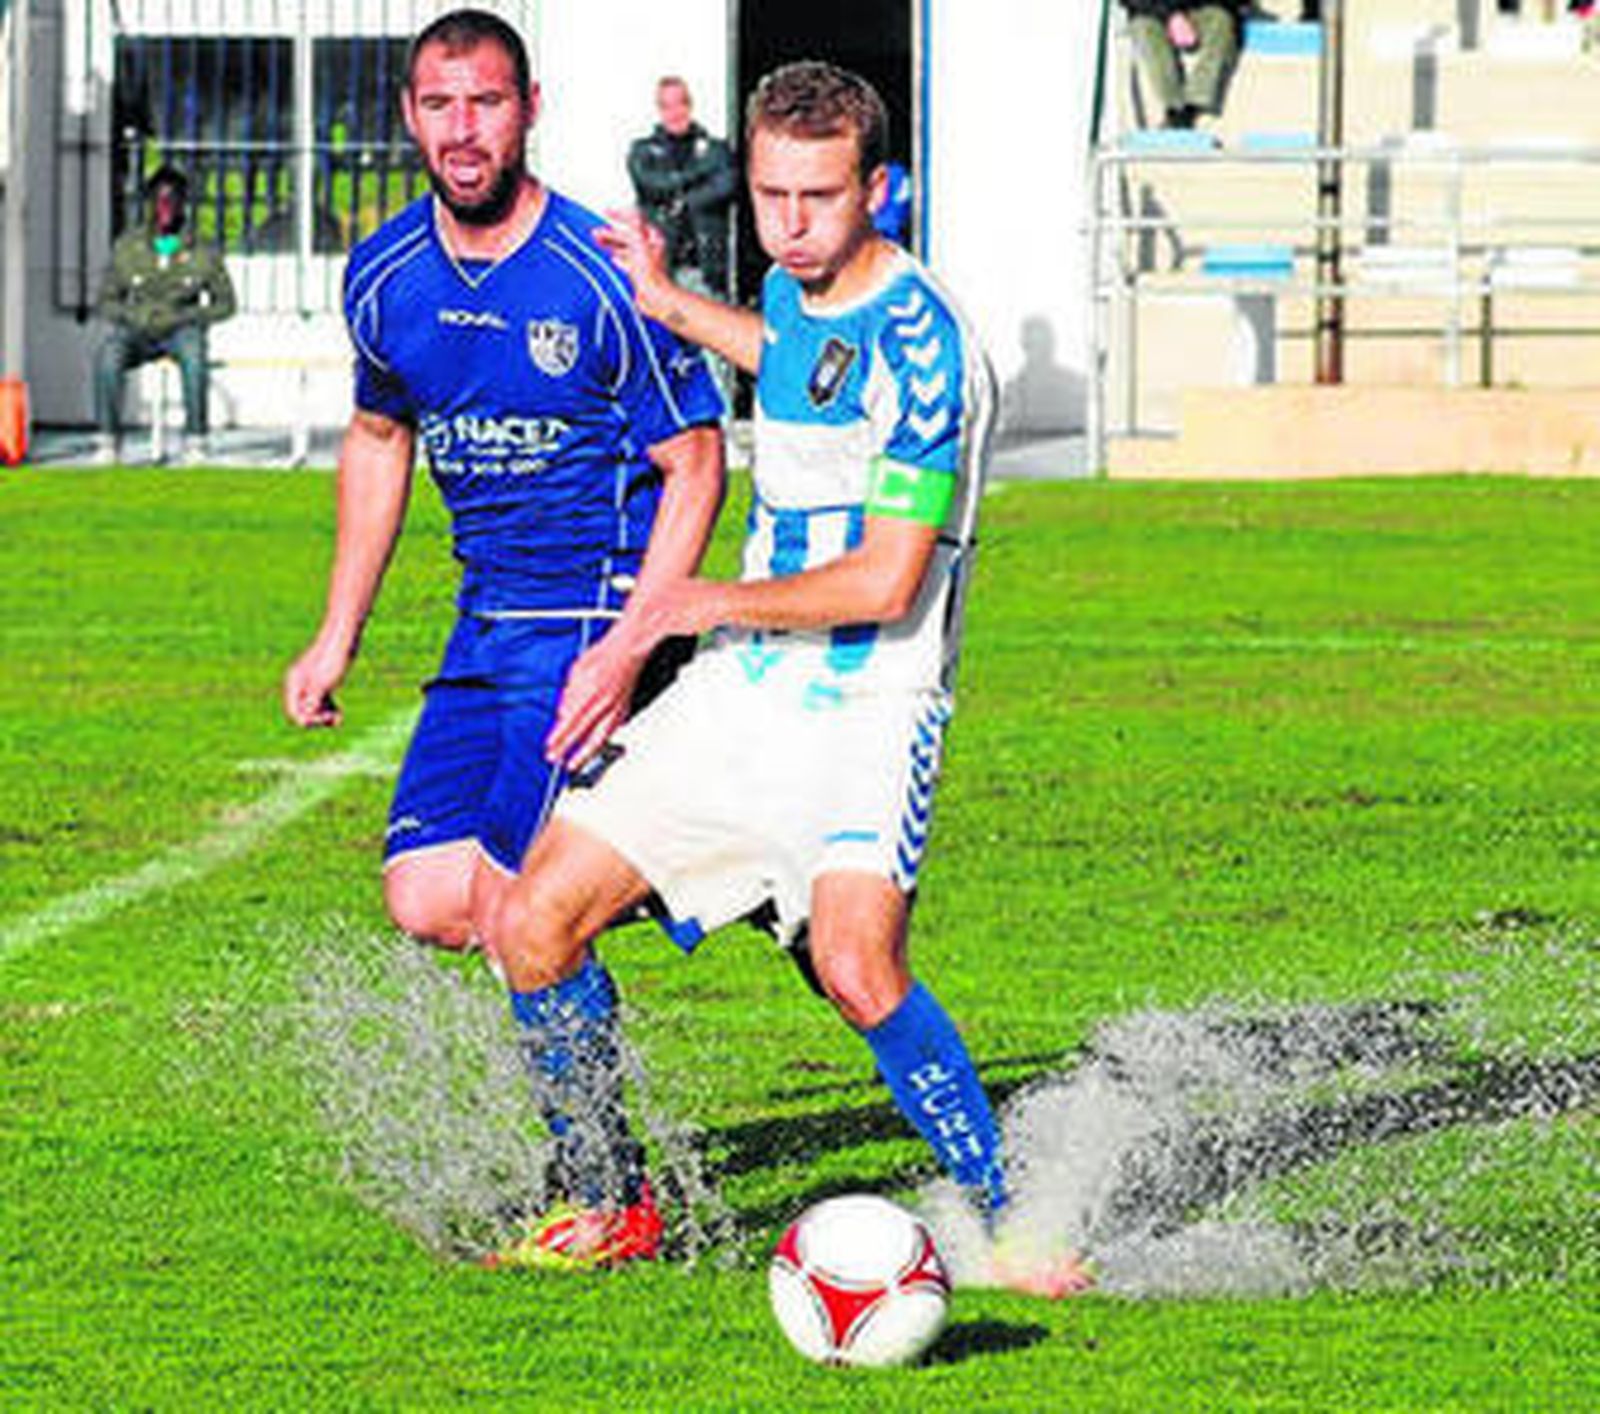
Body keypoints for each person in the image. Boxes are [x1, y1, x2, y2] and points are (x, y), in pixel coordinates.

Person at [480, 60, 1092, 1297]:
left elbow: (884, 582)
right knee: (529, 925)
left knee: (861, 970)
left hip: (872, 705)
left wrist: (698, 602)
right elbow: (791, 356)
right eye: (770, 195)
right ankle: (609, 1200)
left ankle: (1012, 1221)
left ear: (881, 187)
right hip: (743, 694)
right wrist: (670, 301)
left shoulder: (933, 353)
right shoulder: (785, 279)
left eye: (819, 196)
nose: (791, 222)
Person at [281, 5, 725, 1243]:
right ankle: (661, 861)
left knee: (509, 906)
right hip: (485, 628)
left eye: (487, 102)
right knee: (426, 897)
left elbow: (696, 465)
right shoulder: (383, 275)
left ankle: (609, 1189)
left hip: (591, 619)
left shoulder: (597, 267)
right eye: (440, 104)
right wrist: (338, 634)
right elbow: (379, 441)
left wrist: (633, 641)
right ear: (410, 117)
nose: (463, 129)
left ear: (530, 109)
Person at [93, 165, 237, 464]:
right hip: (137, 328)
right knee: (108, 356)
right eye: (159, 200)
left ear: (183, 203)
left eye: (173, 200)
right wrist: (130, 316)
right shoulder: (128, 247)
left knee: (195, 358)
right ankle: (108, 441)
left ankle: (196, 440)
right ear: (149, 203)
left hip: (181, 328)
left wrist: (191, 317)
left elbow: (226, 303)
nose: (165, 208)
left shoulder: (202, 250)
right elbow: (106, 300)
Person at [626, 77, 738, 297]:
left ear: (690, 105)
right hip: (661, 270)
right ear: (659, 109)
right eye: (667, 106)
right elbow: (653, 185)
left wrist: (683, 201)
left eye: (681, 103)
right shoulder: (643, 152)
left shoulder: (716, 150)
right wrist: (699, 174)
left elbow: (727, 186)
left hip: (705, 271)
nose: (675, 112)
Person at [1120, 1, 1246, 129]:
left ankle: (1196, 105)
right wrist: (1171, 15)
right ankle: (1174, 107)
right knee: (1144, 27)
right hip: (1155, 12)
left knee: (1221, 21)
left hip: (1201, 10)